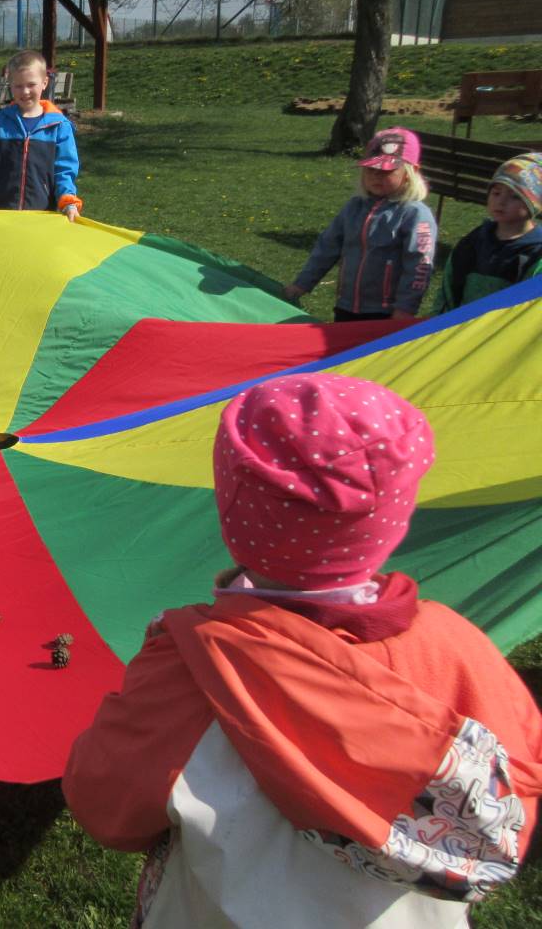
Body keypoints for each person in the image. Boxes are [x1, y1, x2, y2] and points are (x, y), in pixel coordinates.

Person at [62, 373, 542, 929]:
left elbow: (107, 806)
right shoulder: (459, 651)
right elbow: (520, 785)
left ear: (234, 507)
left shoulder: (191, 668)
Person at [283, 127, 436, 321]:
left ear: (410, 172)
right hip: (346, 305)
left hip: (385, 312)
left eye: (387, 171)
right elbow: (327, 247)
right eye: (371, 169)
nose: (376, 175)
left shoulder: (415, 214)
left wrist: (405, 308)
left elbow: (419, 265)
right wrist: (302, 284)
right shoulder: (355, 207)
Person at [0, 50, 82, 219]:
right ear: (10, 85)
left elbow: (64, 170)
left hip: (42, 216)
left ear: (44, 83)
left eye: (31, 85)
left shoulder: (60, 126)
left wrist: (68, 202)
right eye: (18, 86)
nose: (25, 91)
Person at [433, 152, 542, 314]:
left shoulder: (536, 253)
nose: (501, 202)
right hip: (463, 325)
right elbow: (448, 291)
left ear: (534, 203)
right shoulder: (472, 242)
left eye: (515, 196)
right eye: (496, 193)